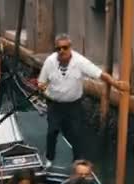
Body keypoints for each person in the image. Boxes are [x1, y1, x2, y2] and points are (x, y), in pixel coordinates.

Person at [38, 33, 128, 167]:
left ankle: (77, 162)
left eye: (65, 47)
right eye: (59, 48)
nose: (62, 51)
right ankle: (49, 159)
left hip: (74, 105)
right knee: (52, 132)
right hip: (55, 104)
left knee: (77, 134)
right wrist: (41, 87)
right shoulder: (50, 62)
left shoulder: (80, 61)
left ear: (70, 47)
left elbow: (100, 74)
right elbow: (41, 82)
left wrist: (116, 84)